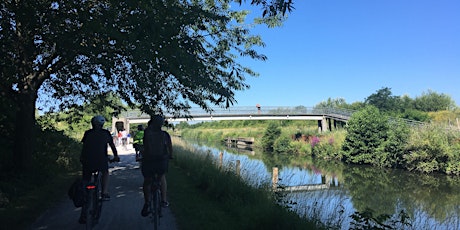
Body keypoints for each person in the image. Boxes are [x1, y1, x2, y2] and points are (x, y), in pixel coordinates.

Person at [79, 115, 120, 223]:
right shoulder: (106, 133)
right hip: (101, 160)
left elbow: (84, 147)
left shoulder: (88, 133)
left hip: (87, 161)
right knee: (105, 172)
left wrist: (82, 159)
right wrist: (115, 156)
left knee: (86, 181)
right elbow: (112, 146)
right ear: (102, 124)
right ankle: (105, 192)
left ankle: (84, 208)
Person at [141, 115, 173, 217]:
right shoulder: (165, 134)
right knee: (162, 176)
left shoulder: (147, 133)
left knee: (147, 181)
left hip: (148, 161)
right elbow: (169, 148)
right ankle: (163, 200)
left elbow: (145, 146)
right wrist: (170, 156)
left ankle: (147, 203)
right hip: (161, 162)